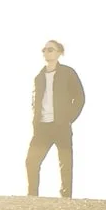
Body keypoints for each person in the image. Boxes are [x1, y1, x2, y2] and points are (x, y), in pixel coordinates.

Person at [26, 39, 85, 197]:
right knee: (31, 161)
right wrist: (35, 121)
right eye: (44, 50)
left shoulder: (68, 73)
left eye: (50, 49)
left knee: (65, 163)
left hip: (61, 126)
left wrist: (68, 118)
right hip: (42, 127)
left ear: (59, 52)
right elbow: (35, 101)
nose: (46, 52)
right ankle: (32, 197)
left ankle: (66, 198)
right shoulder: (39, 77)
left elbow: (79, 97)